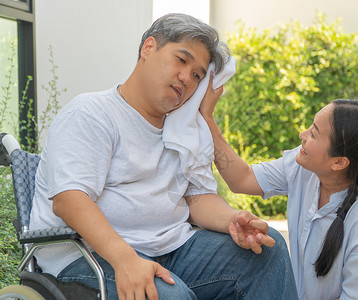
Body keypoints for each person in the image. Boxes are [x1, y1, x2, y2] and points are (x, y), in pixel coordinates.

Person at [30, 13, 297, 300]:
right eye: (181, 60)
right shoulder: (91, 113)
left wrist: (234, 219)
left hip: (171, 249)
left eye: (197, 75)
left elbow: (198, 200)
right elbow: (69, 201)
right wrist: (126, 259)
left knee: (268, 250)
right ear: (148, 48)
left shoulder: (183, 130)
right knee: (171, 295)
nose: (186, 78)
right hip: (86, 255)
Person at [200, 83, 358, 300]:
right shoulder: (304, 167)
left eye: (314, 133)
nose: (302, 134)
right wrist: (207, 118)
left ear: (339, 162)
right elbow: (242, 179)